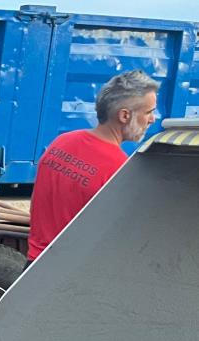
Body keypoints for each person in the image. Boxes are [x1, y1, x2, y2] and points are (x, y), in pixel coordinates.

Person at [28, 69, 158, 261]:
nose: (152, 119)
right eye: (148, 112)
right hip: (71, 275)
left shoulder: (61, 142)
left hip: (34, 264)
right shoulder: (120, 169)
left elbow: (37, 203)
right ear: (125, 116)